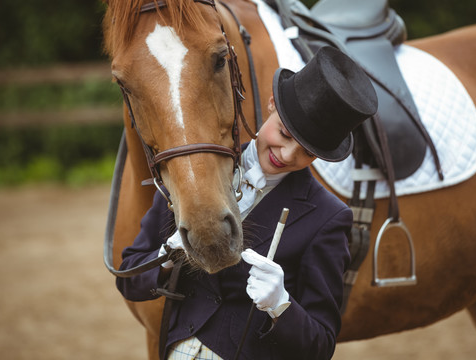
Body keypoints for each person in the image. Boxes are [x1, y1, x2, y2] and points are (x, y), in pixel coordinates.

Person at [116, 46, 378, 360]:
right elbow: (129, 279)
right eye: (284, 133)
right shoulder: (194, 171)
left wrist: (281, 305)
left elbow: (320, 346)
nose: (286, 156)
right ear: (271, 104)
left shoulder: (328, 218)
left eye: (307, 152)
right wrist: (167, 256)